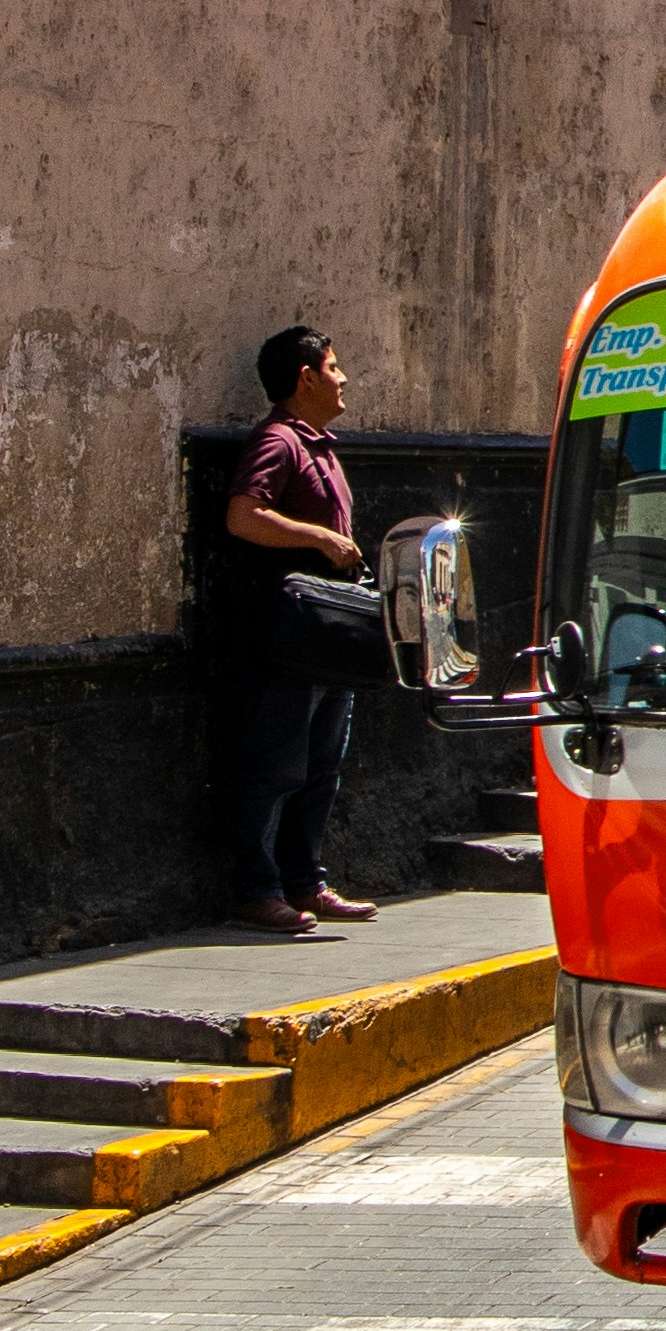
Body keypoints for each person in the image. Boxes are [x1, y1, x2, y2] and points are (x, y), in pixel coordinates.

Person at [222, 325, 377, 942]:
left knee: (320, 767)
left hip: (328, 638)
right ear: (306, 377)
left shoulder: (320, 445)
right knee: (277, 766)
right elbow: (243, 516)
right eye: (333, 368)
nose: (343, 379)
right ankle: (257, 890)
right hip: (291, 639)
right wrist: (319, 538)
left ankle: (305, 881)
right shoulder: (278, 440)